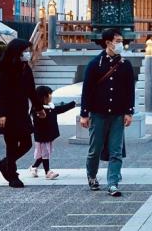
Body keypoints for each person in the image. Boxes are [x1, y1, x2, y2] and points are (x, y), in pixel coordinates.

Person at [80, 26, 136, 196]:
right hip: (98, 113)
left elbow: (129, 90)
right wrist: (84, 113)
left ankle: (113, 183)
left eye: (121, 41)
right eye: (117, 41)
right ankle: (92, 176)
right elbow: (87, 90)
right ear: (108, 43)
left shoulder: (125, 65)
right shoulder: (94, 64)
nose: (120, 44)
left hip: (117, 114)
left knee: (116, 151)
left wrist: (129, 112)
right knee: (95, 149)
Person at [0, 38, 37, 187]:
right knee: (11, 145)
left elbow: (32, 91)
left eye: (28, 51)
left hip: (22, 111)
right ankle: (12, 175)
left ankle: (5, 163)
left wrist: (39, 108)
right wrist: (1, 113)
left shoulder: (26, 68)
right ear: (17, 52)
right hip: (9, 112)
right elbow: (0, 92)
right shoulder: (6, 68)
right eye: (24, 51)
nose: (27, 53)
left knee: (27, 143)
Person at [31, 85, 77, 179]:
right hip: (42, 136)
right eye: (49, 94)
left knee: (44, 153)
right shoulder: (37, 109)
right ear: (43, 96)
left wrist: (73, 103)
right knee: (45, 153)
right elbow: (38, 120)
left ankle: (34, 167)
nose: (51, 96)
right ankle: (48, 172)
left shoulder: (50, 107)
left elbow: (61, 109)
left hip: (49, 135)